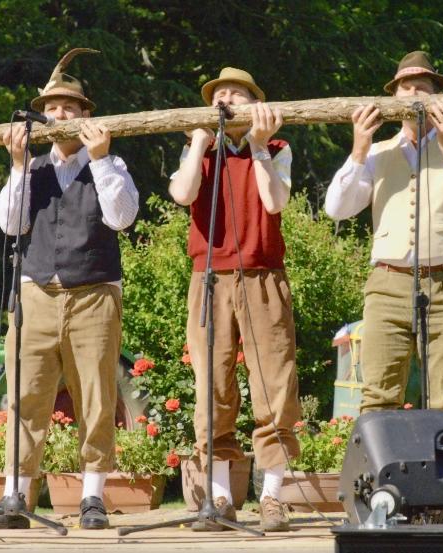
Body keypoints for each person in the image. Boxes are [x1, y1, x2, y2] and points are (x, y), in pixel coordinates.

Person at [0, 48, 139, 530]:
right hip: (35, 294)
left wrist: (101, 158)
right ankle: (16, 497)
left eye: (69, 107)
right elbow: (11, 224)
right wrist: (15, 165)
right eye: (51, 108)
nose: (59, 115)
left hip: (93, 294)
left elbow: (122, 217)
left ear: (87, 115)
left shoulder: (111, 165)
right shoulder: (32, 168)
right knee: (27, 396)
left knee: (97, 395)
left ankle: (91, 497)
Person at [169, 67, 300, 532]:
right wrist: (201, 142)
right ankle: (221, 497)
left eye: (236, 93)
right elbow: (183, 194)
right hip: (208, 277)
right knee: (213, 386)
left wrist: (260, 146)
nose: (226, 98)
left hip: (262, 276)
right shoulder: (199, 151)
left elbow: (274, 203)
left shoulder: (276, 148)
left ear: (253, 102)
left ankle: (271, 496)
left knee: (274, 383)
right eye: (219, 93)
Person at [324, 51, 443, 414]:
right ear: (393, 99)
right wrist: (358, 148)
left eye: (423, 88)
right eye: (406, 88)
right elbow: (336, 209)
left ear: (438, 99)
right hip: (387, 284)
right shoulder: (376, 152)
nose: (414, 95)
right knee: (378, 396)